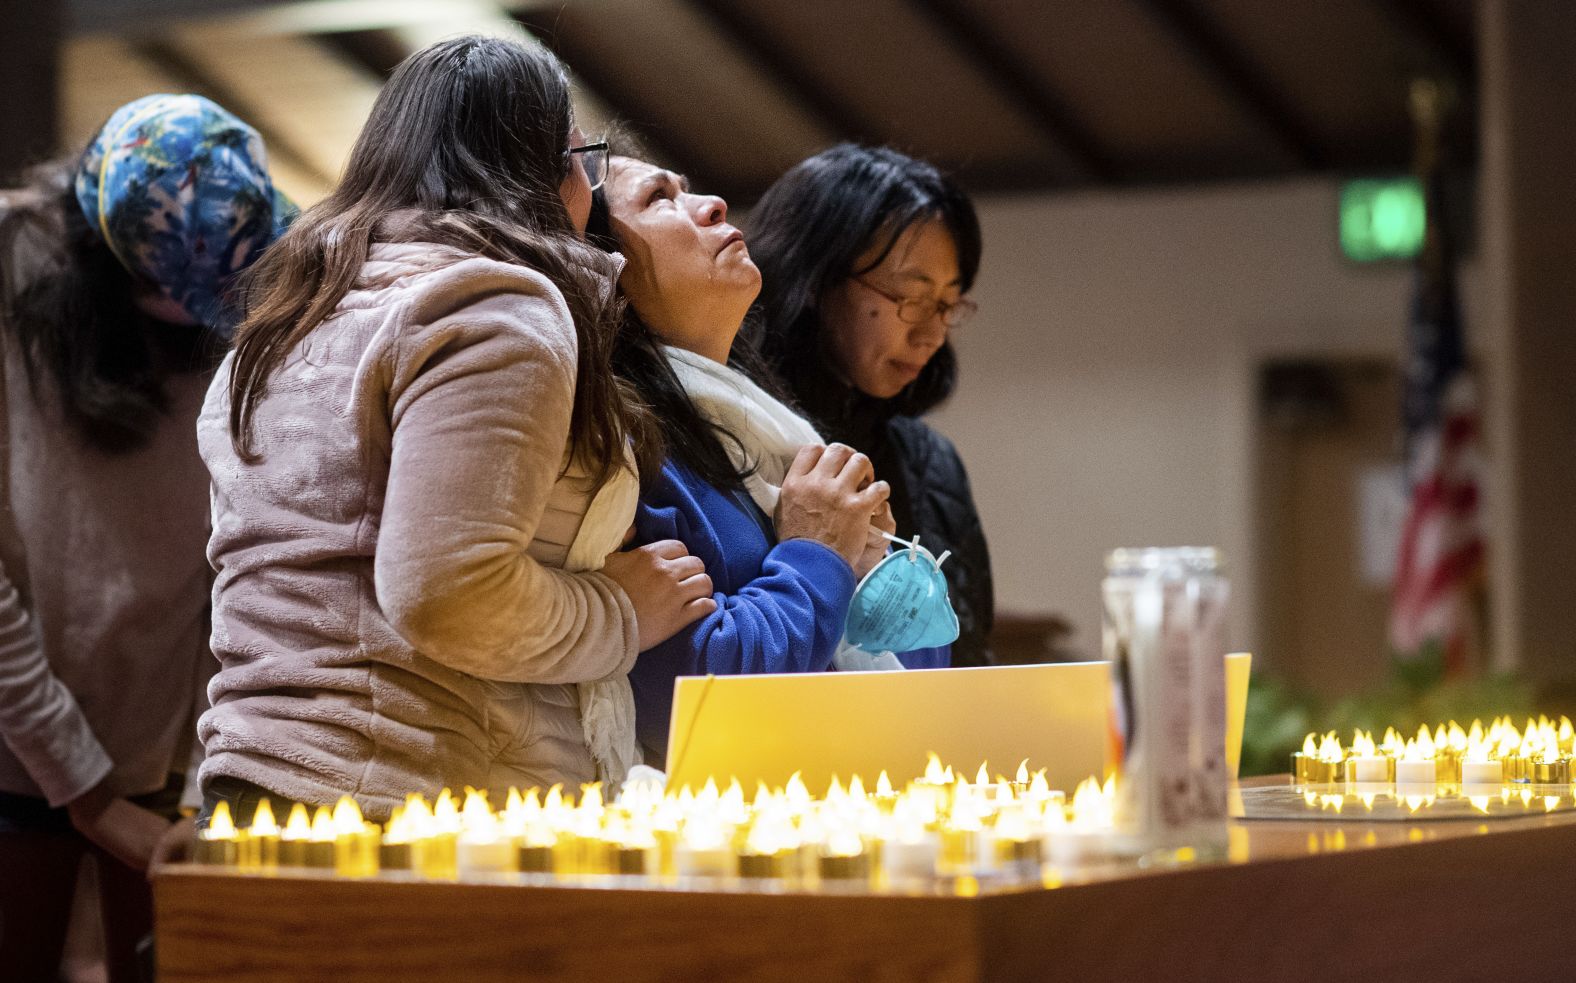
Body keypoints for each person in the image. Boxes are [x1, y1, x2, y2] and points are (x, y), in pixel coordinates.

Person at [197, 37, 714, 826]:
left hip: (258, 785)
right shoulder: (491, 307)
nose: (591, 194)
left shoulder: (285, 321)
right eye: (582, 160)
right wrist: (621, 614)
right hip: (406, 800)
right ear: (540, 169)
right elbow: (447, 593)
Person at [0, 94, 294, 982]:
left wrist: (209, 772)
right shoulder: (13, 261)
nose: (204, 321)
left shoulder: (266, 284)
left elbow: (247, 563)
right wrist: (83, 789)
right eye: (176, 299)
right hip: (15, 739)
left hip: (171, 755)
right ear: (104, 260)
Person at [590, 156, 949, 763]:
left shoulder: (768, 429)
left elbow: (926, 686)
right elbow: (690, 709)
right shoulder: (617, 449)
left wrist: (868, 583)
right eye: (659, 199)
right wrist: (818, 554)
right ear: (601, 266)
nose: (712, 204)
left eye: (688, 184)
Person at [749, 144, 995, 668]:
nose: (931, 333)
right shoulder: (744, 432)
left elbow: (968, 656)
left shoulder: (931, 461)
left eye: (947, 304)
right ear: (815, 279)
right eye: (910, 297)